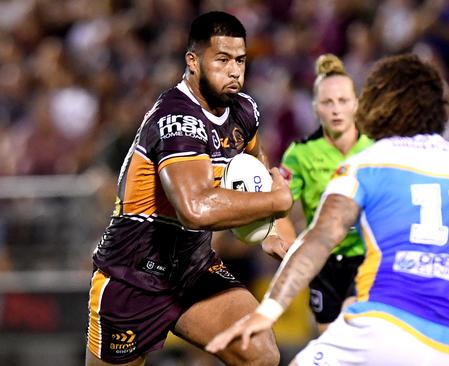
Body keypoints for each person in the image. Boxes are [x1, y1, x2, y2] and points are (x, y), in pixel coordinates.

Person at [205, 54, 449, 366]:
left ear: (380, 105)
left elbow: (318, 241)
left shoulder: (367, 164)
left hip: (385, 331)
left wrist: (267, 313)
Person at [85, 11, 293, 366]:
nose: (234, 71)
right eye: (223, 60)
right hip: (132, 276)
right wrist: (274, 201)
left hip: (194, 269)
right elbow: (194, 208)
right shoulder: (176, 117)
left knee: (260, 353)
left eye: (240, 60)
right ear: (193, 62)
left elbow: (258, 162)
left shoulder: (244, 110)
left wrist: (272, 227)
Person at [270, 53, 373, 333]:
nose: (336, 110)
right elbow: (278, 207)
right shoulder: (300, 154)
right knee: (329, 343)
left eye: (343, 101)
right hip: (323, 262)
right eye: (328, 102)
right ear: (315, 107)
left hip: (367, 258)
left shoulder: (376, 149)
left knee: (354, 327)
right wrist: (282, 238)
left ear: (356, 104)